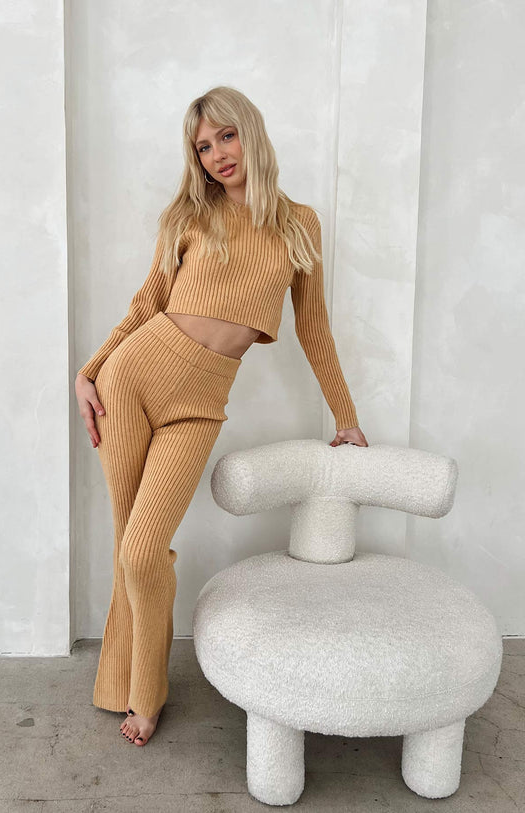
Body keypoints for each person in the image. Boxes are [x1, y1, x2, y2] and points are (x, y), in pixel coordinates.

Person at [74, 85, 369, 747]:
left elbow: (313, 328)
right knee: (128, 548)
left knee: (143, 551)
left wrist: (346, 417)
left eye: (225, 136)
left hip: (200, 405)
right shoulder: (188, 215)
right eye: (203, 147)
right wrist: (90, 370)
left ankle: (134, 683)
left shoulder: (299, 224)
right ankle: (138, 690)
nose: (216, 155)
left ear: (250, 131)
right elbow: (147, 302)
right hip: (132, 378)